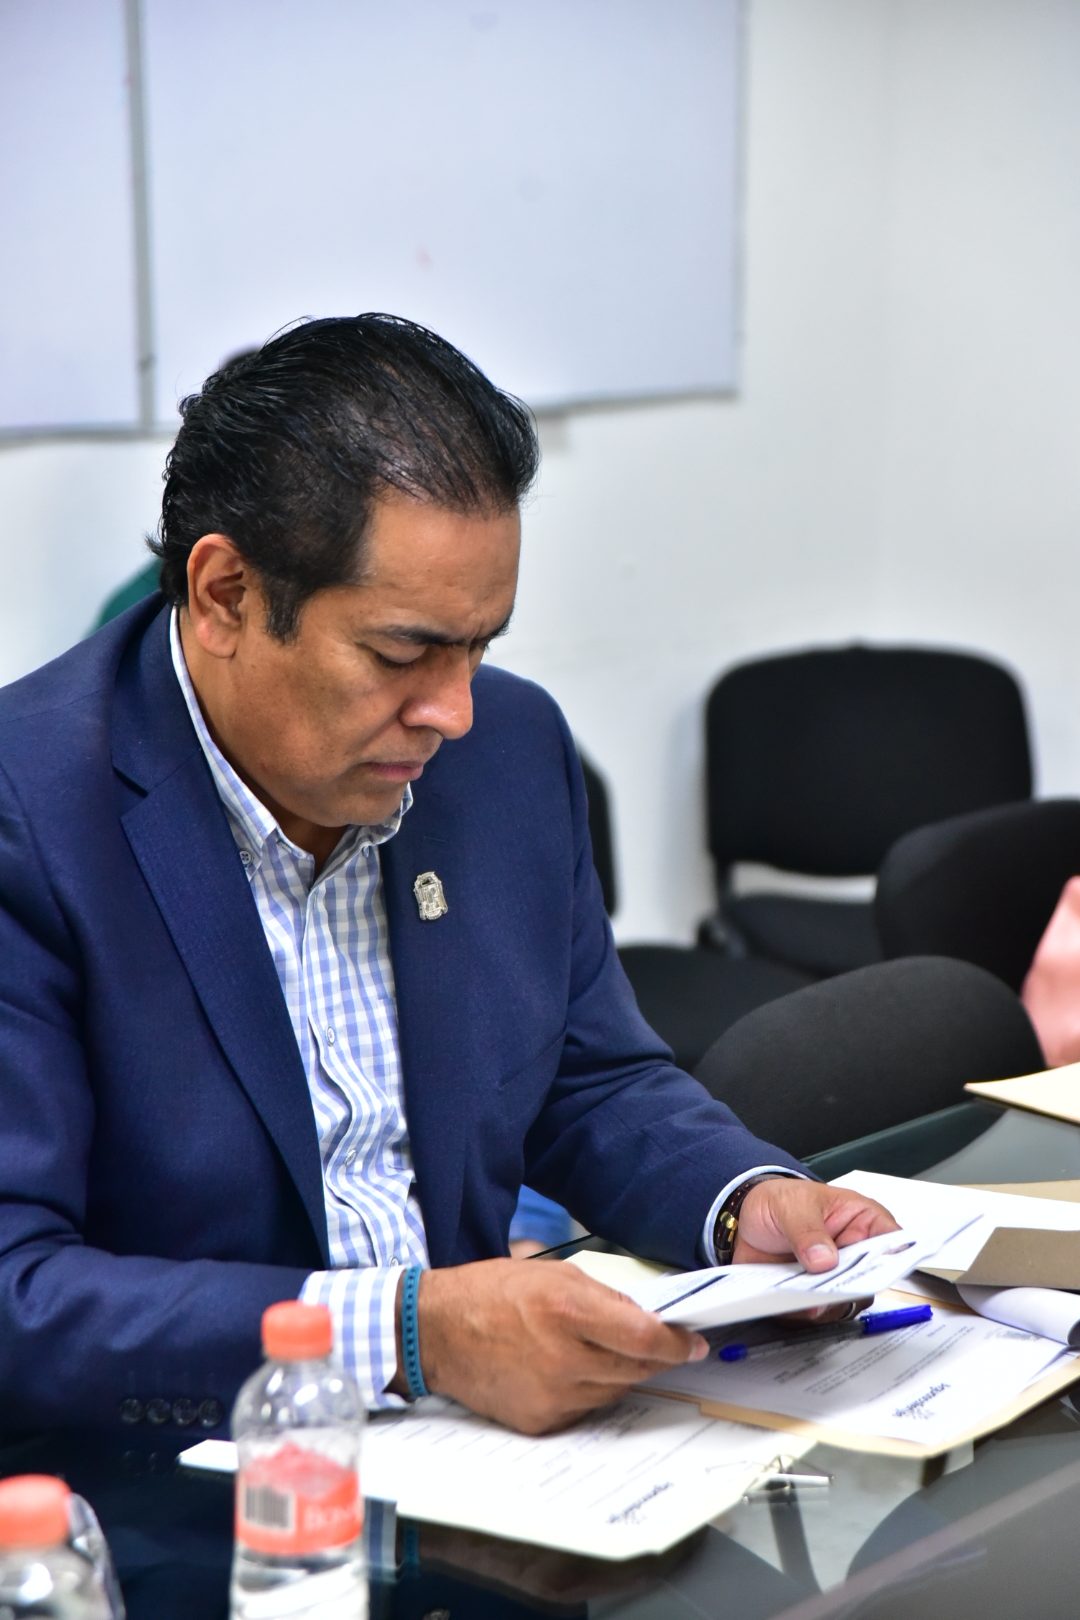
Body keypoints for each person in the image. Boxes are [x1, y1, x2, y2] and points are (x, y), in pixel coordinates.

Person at [0, 315, 896, 1440]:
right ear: (225, 594)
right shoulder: (33, 815)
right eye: (400, 653)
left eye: (481, 646)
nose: (454, 712)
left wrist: (741, 1204)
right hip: (190, 1472)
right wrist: (409, 1334)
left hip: (493, 1454)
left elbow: (587, 1079)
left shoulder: (510, 752)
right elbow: (18, 1295)